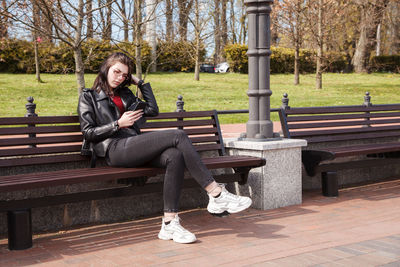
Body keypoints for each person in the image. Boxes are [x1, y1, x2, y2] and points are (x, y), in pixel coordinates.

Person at [78, 52, 252, 244]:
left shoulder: (125, 94)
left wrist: (140, 84)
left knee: (174, 155)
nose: (119, 78)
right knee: (178, 135)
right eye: (116, 72)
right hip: (114, 149)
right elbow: (88, 132)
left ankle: (169, 224)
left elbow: (153, 110)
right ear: (106, 69)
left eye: (124, 75)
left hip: (133, 145)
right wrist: (118, 124)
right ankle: (216, 193)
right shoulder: (89, 97)